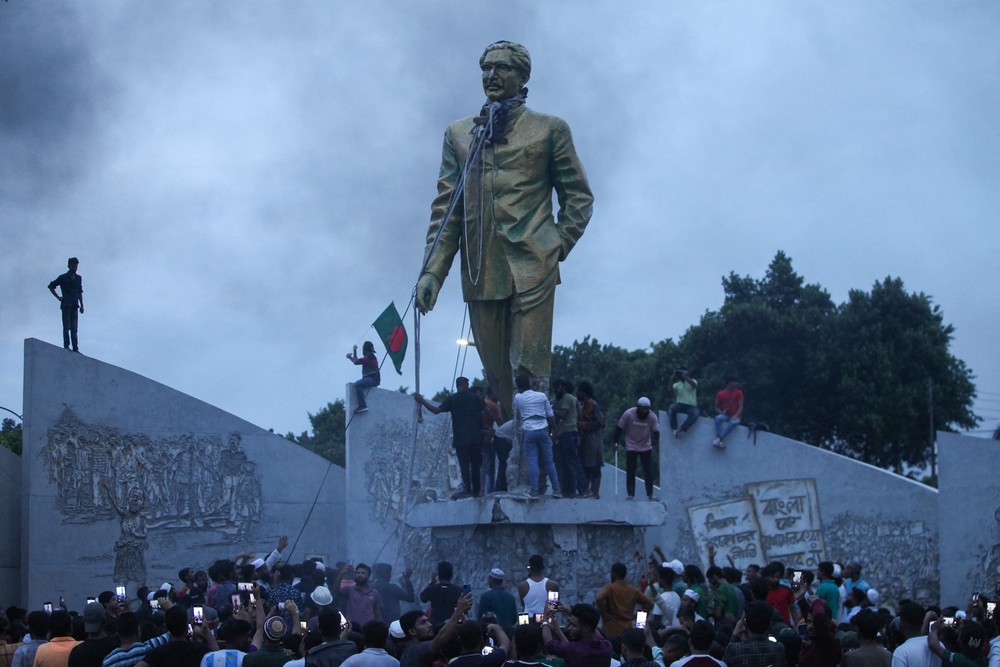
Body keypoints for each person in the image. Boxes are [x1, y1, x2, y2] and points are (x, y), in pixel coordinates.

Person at [414, 40, 594, 419]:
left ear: (523, 75)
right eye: (486, 69)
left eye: (502, 68)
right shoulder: (460, 134)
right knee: (498, 378)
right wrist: (432, 271)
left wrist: (556, 244)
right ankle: (514, 460)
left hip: (533, 267)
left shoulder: (550, 129)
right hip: (481, 271)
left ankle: (530, 463)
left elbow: (578, 197)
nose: (491, 76)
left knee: (529, 372)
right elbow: (447, 209)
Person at [413, 377, 486, 499]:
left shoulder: (452, 399)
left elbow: (436, 410)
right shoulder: (475, 398)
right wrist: (482, 428)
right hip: (475, 438)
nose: (468, 386)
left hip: (460, 439)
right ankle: (477, 492)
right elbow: (485, 412)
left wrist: (422, 400)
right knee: (475, 465)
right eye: (467, 384)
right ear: (463, 384)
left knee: (464, 466)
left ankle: (468, 490)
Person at [512, 375, 561, 498]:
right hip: (543, 430)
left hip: (529, 431)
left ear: (518, 387)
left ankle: (534, 491)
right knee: (549, 462)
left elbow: (518, 411)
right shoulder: (542, 396)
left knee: (533, 462)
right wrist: (554, 430)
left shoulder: (518, 397)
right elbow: (550, 416)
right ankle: (557, 490)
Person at [613, 398, 660, 501]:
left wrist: (655, 442)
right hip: (631, 444)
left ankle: (650, 494)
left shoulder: (652, 417)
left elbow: (656, 431)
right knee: (631, 470)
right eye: (642, 409)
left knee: (648, 471)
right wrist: (615, 442)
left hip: (646, 445)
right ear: (638, 407)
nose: (644, 411)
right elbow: (619, 428)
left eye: (646, 409)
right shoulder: (629, 414)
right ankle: (630, 494)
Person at [594, 562, 653, 640]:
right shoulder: (633, 590)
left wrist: (604, 614)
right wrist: (639, 619)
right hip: (627, 628)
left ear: (613, 574)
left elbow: (598, 598)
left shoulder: (610, 588)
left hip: (611, 628)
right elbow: (649, 604)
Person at [541, 602, 611, 667]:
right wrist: (558, 630)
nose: (569, 628)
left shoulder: (574, 650)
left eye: (574, 625)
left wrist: (545, 619)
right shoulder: (606, 646)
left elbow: (548, 642)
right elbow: (592, 626)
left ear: (586, 628)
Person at [551, 380, 586, 498]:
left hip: (568, 433)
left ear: (562, 387)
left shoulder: (567, 397)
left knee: (572, 463)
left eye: (556, 388)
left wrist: (549, 410)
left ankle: (583, 489)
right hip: (565, 434)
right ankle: (569, 491)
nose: (555, 391)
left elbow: (563, 414)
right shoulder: (566, 399)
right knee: (565, 465)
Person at [724, 601, 785, 667]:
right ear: (770, 623)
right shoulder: (779, 648)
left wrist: (735, 634)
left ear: (745, 623)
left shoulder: (735, 650)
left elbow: (726, 659)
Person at [48, 256, 85, 352]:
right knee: (66, 326)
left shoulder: (78, 278)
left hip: (75, 305)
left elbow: (79, 292)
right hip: (66, 305)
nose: (75, 268)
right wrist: (58, 297)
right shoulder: (63, 277)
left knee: (74, 328)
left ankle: (75, 348)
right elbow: (51, 286)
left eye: (76, 266)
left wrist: (82, 305)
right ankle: (66, 346)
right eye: (73, 265)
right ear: (69, 266)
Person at [576, 381, 605, 499]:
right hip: (584, 442)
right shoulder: (581, 404)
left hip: (594, 442)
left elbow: (600, 422)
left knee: (594, 467)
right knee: (585, 467)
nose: (577, 393)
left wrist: (584, 425)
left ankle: (595, 493)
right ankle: (586, 492)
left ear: (584, 392)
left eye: (579, 391)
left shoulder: (593, 405)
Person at [334, 563, 383, 627]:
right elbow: (336, 591)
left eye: (363, 573)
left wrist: (379, 628)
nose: (360, 575)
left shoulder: (374, 593)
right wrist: (341, 574)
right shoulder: (349, 590)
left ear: (368, 576)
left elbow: (378, 614)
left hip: (369, 629)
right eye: (358, 573)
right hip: (352, 628)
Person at [419, 561, 463, 627]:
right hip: (452, 624)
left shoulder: (432, 589)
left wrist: (432, 582)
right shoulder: (458, 590)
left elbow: (423, 598)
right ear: (451, 575)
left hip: (435, 624)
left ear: (439, 575)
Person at [476, 568, 517, 635]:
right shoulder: (511, 597)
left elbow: (481, 619)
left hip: (492, 634)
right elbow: (514, 619)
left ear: (491, 579)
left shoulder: (486, 596)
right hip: (508, 634)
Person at [346, 342, 380, 414]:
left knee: (357, 385)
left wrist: (354, 351)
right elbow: (356, 361)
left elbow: (356, 361)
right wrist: (350, 357)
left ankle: (362, 405)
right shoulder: (370, 357)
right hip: (371, 379)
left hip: (372, 379)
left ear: (365, 350)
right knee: (360, 383)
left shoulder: (369, 358)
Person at [667, 369, 699, 439]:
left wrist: (685, 377)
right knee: (671, 409)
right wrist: (671, 379)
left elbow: (694, 385)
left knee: (695, 414)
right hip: (680, 404)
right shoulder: (678, 384)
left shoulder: (693, 381)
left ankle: (680, 429)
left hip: (691, 406)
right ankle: (674, 428)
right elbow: (670, 391)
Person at [712, 377, 743, 448]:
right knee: (717, 418)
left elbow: (741, 406)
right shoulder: (721, 393)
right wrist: (722, 412)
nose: (736, 384)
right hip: (726, 415)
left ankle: (720, 439)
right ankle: (720, 441)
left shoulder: (738, 392)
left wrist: (736, 415)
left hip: (736, 415)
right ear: (730, 383)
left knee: (733, 422)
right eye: (735, 382)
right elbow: (716, 407)